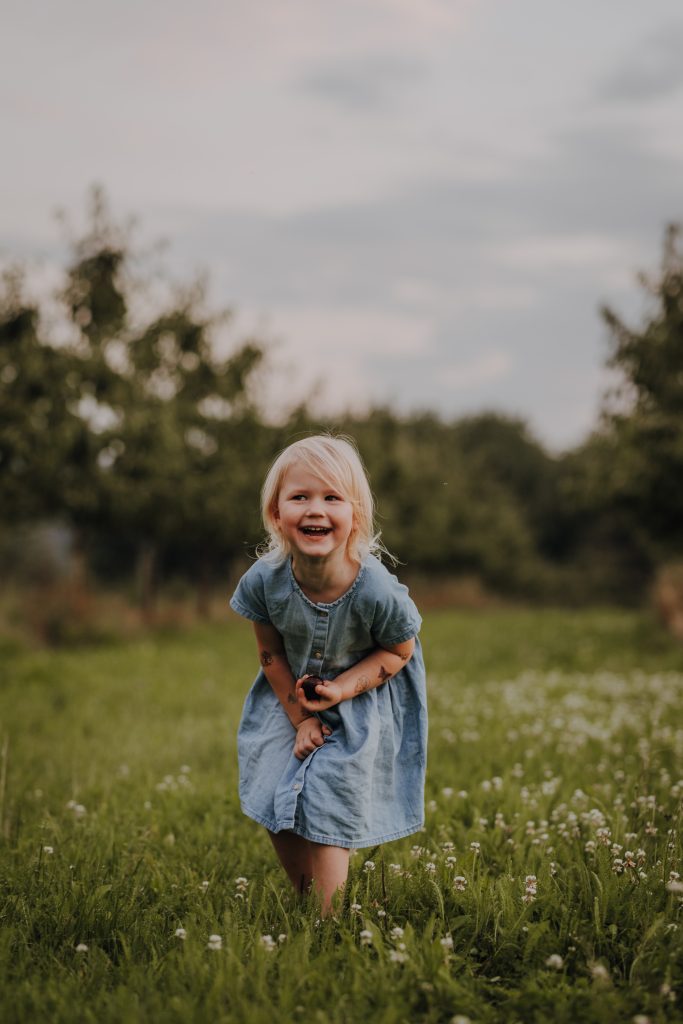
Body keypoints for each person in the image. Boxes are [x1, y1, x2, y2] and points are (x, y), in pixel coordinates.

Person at [229, 434, 427, 914]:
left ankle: (330, 921)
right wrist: (301, 719)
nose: (315, 509)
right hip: (287, 694)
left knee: (329, 797)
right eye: (300, 497)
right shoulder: (264, 580)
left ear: (354, 515)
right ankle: (308, 899)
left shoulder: (376, 589)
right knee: (272, 785)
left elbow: (398, 653)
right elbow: (270, 653)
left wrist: (340, 689)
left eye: (331, 498)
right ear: (277, 514)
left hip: (364, 694)